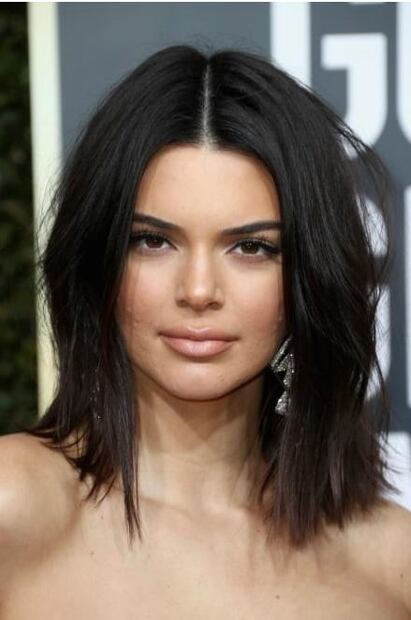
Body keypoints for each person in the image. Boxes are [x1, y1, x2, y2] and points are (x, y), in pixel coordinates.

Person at [0, 43, 410, 619]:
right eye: (153, 241)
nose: (198, 290)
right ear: (99, 263)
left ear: (308, 280)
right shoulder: (13, 506)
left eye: (251, 247)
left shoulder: (390, 561)